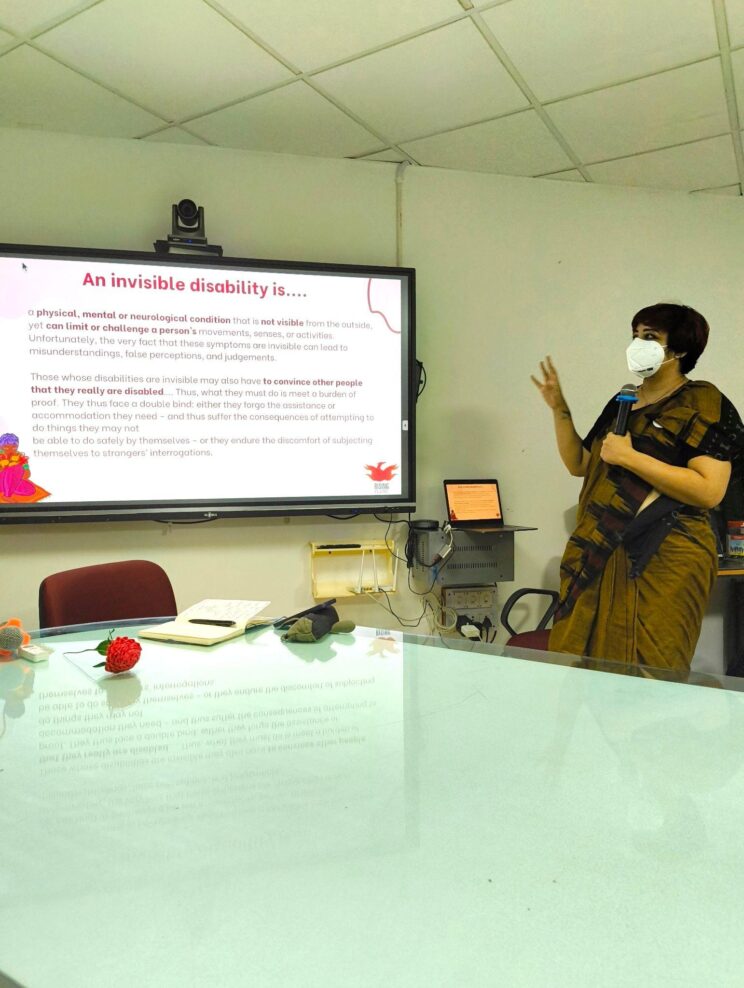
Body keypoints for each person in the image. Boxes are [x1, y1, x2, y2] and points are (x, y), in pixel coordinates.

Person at [532, 303, 744, 674]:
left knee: (650, 680)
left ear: (678, 350)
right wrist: (559, 408)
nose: (638, 344)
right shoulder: (625, 401)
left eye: (650, 337)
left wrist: (630, 458)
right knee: (578, 669)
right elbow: (580, 464)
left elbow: (710, 490)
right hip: (599, 553)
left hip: (663, 557)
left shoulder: (704, 402)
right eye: (635, 335)